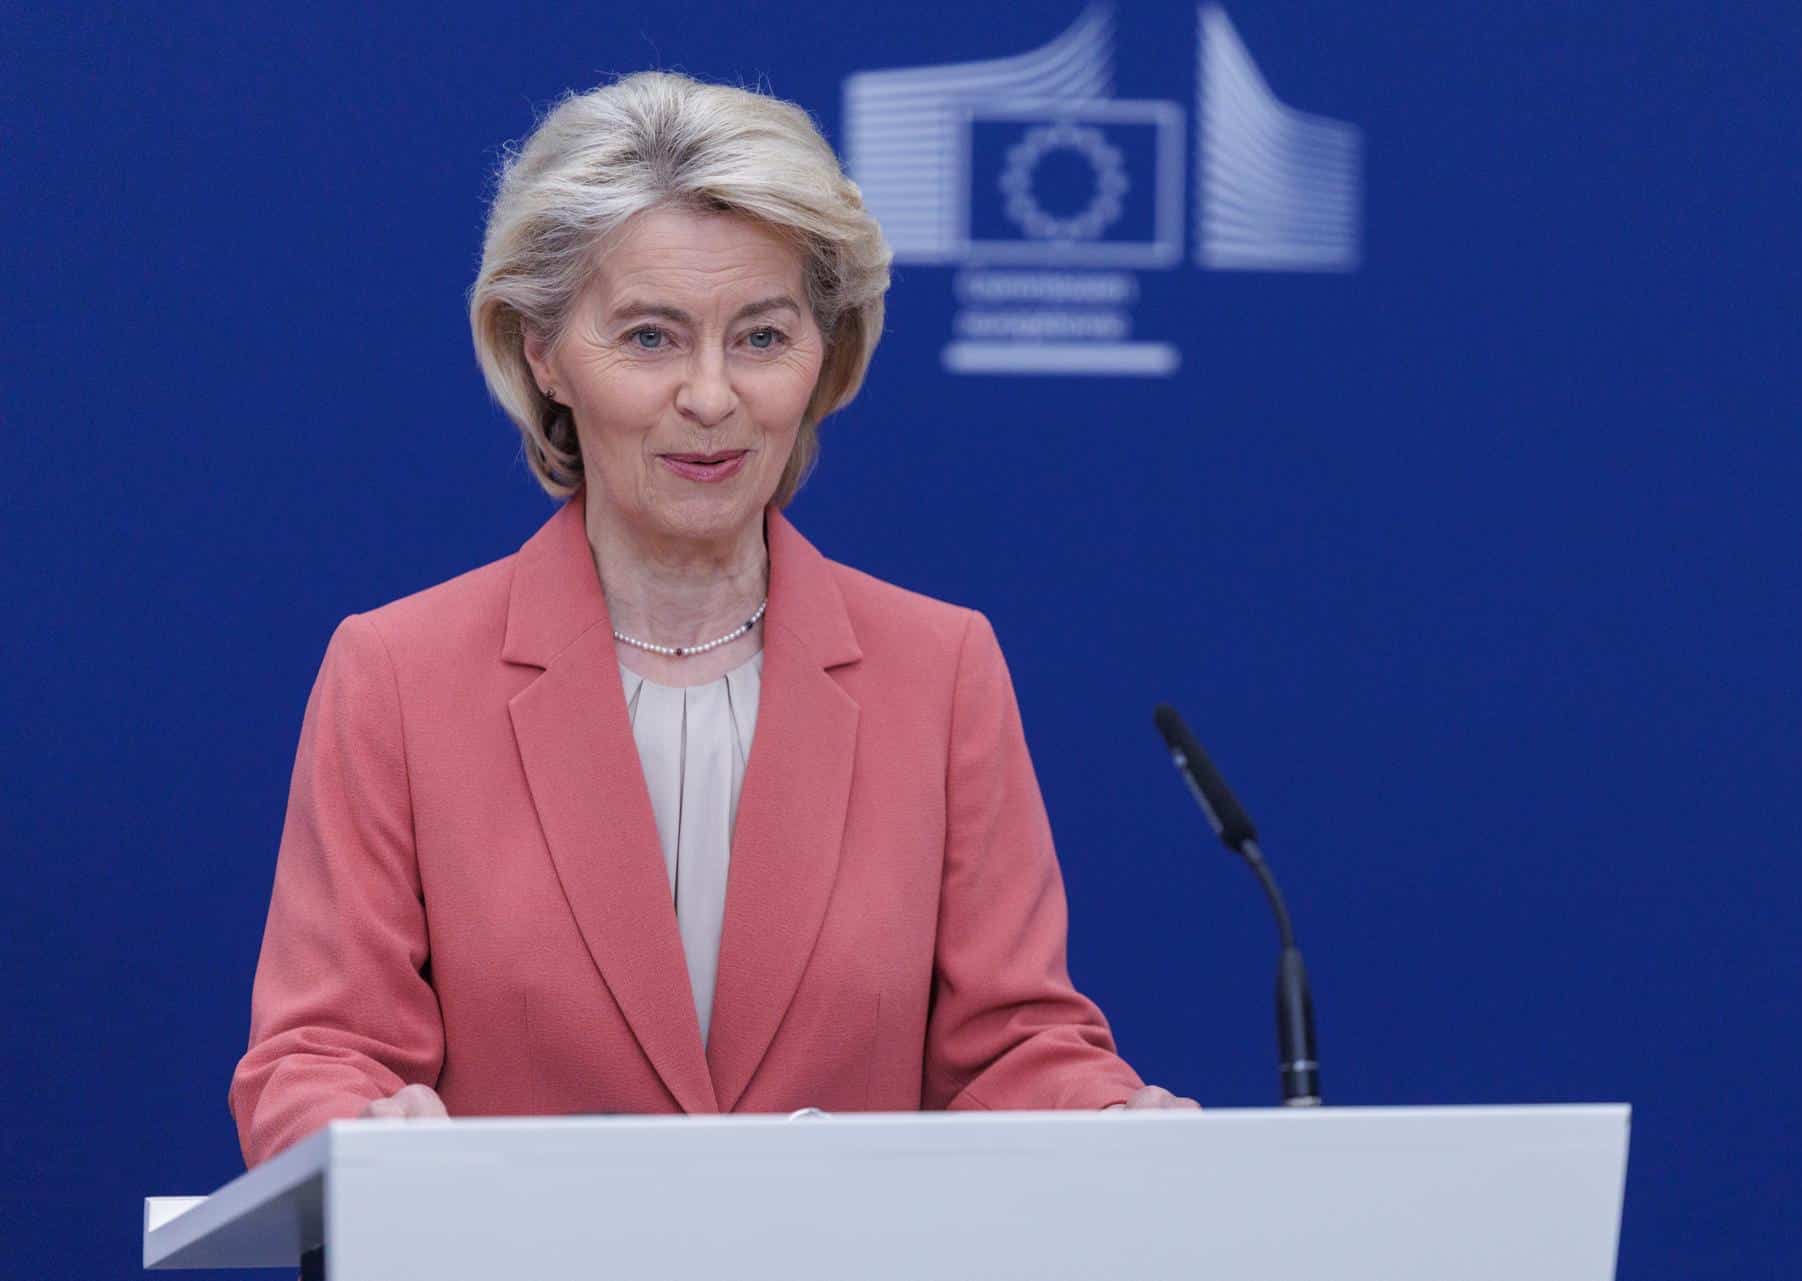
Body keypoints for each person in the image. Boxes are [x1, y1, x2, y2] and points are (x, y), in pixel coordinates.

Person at [229, 70, 1195, 1169]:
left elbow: (1013, 1049)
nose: (710, 395)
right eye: (649, 338)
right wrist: (360, 1128)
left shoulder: (940, 669)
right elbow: (318, 1052)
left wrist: (1109, 1119)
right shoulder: (398, 677)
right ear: (542, 349)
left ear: (823, 356)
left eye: (761, 337)